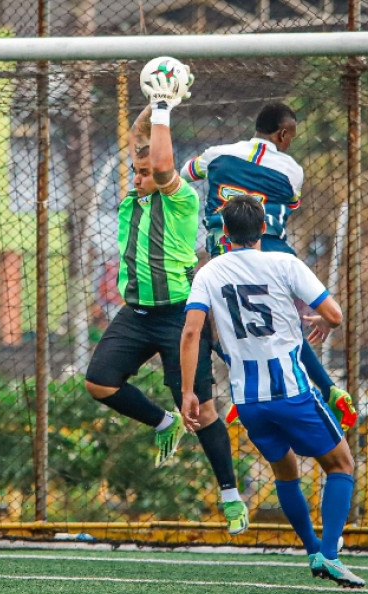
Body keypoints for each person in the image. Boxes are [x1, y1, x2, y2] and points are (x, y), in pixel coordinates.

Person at [84, 66, 250, 535]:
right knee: (99, 383)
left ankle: (230, 495)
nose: (136, 178)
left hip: (179, 317)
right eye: (134, 172)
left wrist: (164, 110)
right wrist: (159, 99)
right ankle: (162, 424)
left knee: (200, 411)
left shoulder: (180, 201)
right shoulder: (133, 200)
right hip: (135, 315)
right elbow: (141, 139)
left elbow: (159, 164)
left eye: (143, 173)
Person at [180, 196, 364, 588]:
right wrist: (322, 321)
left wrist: (187, 391)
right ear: (264, 228)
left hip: (247, 400)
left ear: (224, 233)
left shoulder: (208, 273)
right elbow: (334, 314)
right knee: (341, 464)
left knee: (285, 472)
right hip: (291, 391)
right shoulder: (285, 264)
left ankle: (313, 549)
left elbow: (193, 332)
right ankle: (329, 554)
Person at [180, 103, 357, 431]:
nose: (290, 142)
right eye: (291, 137)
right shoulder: (292, 170)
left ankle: (249, 389)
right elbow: (291, 204)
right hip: (273, 249)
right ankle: (327, 388)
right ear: (283, 133)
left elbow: (185, 174)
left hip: (226, 251)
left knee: (219, 326)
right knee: (285, 326)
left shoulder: (216, 154)